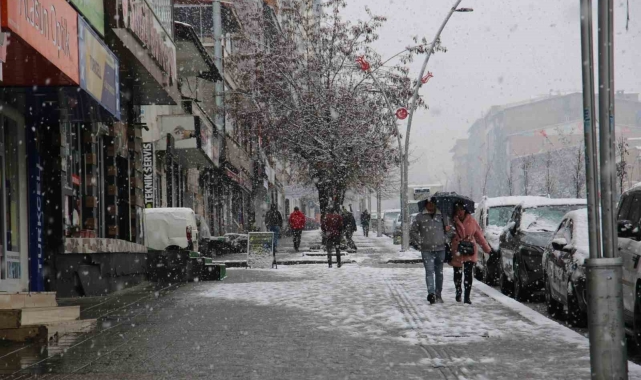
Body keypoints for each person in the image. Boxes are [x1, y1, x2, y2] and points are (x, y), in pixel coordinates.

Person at [410, 197, 452, 305]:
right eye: (429, 203)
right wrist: (420, 242)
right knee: (429, 272)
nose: (431, 205)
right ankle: (431, 294)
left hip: (440, 248)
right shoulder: (420, 217)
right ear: (425, 204)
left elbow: (449, 230)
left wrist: (445, 237)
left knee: (439, 273)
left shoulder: (442, 215)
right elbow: (413, 231)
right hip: (426, 249)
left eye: (433, 203)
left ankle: (438, 294)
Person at [450, 201, 491, 305]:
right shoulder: (452, 220)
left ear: (465, 210)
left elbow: (479, 236)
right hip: (457, 249)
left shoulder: (472, 221)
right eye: (458, 209)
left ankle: (467, 296)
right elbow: (448, 234)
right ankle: (458, 291)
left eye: (462, 209)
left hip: (469, 249)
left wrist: (487, 249)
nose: (460, 212)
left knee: (468, 274)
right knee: (457, 272)